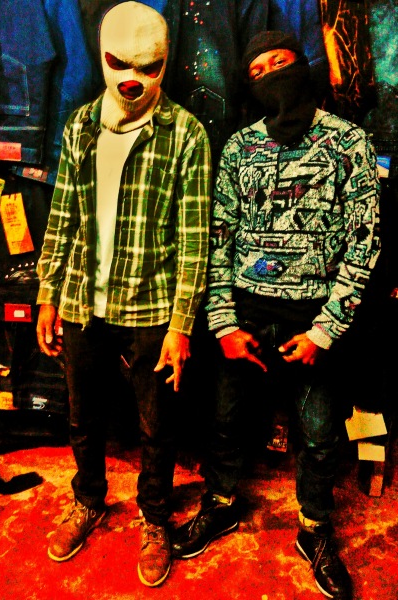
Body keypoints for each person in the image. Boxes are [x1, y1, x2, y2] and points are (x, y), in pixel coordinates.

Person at [172, 30, 381, 600]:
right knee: (223, 421)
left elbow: (365, 242)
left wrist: (325, 331)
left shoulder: (348, 143)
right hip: (245, 312)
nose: (270, 76)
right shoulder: (239, 148)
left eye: (279, 63)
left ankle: (314, 529)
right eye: (257, 71)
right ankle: (220, 504)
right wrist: (223, 324)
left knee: (319, 436)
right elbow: (218, 238)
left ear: (301, 65)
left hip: (313, 317)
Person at [35, 1, 211, 588]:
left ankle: (155, 518)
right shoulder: (80, 125)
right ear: (101, 55)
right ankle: (87, 500)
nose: (132, 80)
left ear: (166, 61)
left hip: (153, 307)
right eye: (119, 63)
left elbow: (195, 239)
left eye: (149, 67)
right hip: (83, 300)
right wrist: (48, 292)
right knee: (82, 415)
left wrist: (181, 326)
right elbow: (62, 214)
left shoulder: (185, 133)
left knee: (157, 424)